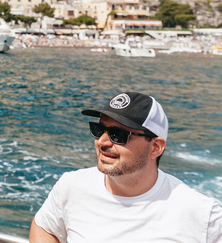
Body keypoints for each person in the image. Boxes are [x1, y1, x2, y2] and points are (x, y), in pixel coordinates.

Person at [30, 91, 222, 243]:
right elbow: (45, 227)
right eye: (99, 130)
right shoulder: (71, 186)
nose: (102, 142)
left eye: (118, 135)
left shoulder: (203, 215)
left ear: (155, 147)